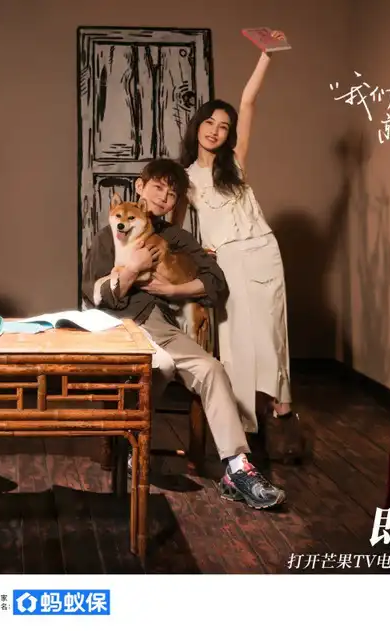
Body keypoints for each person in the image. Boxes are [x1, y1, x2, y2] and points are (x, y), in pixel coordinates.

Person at [82, 158, 285, 509]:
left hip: (159, 324)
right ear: (140, 187)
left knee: (212, 369)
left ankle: (237, 467)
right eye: (158, 187)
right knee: (158, 367)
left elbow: (215, 281)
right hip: (120, 326)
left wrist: (173, 290)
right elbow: (95, 293)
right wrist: (132, 270)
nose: (164, 198)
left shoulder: (176, 238)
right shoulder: (109, 234)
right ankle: (133, 447)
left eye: (173, 194)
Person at [179, 49, 298, 436]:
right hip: (227, 259)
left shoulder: (235, 161)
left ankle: (280, 410)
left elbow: (248, 101)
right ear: (198, 125)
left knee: (271, 331)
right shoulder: (184, 178)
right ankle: (243, 424)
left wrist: (266, 55)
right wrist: (197, 253)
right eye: (209, 122)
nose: (215, 131)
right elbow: (176, 230)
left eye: (223, 127)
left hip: (263, 251)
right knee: (235, 338)